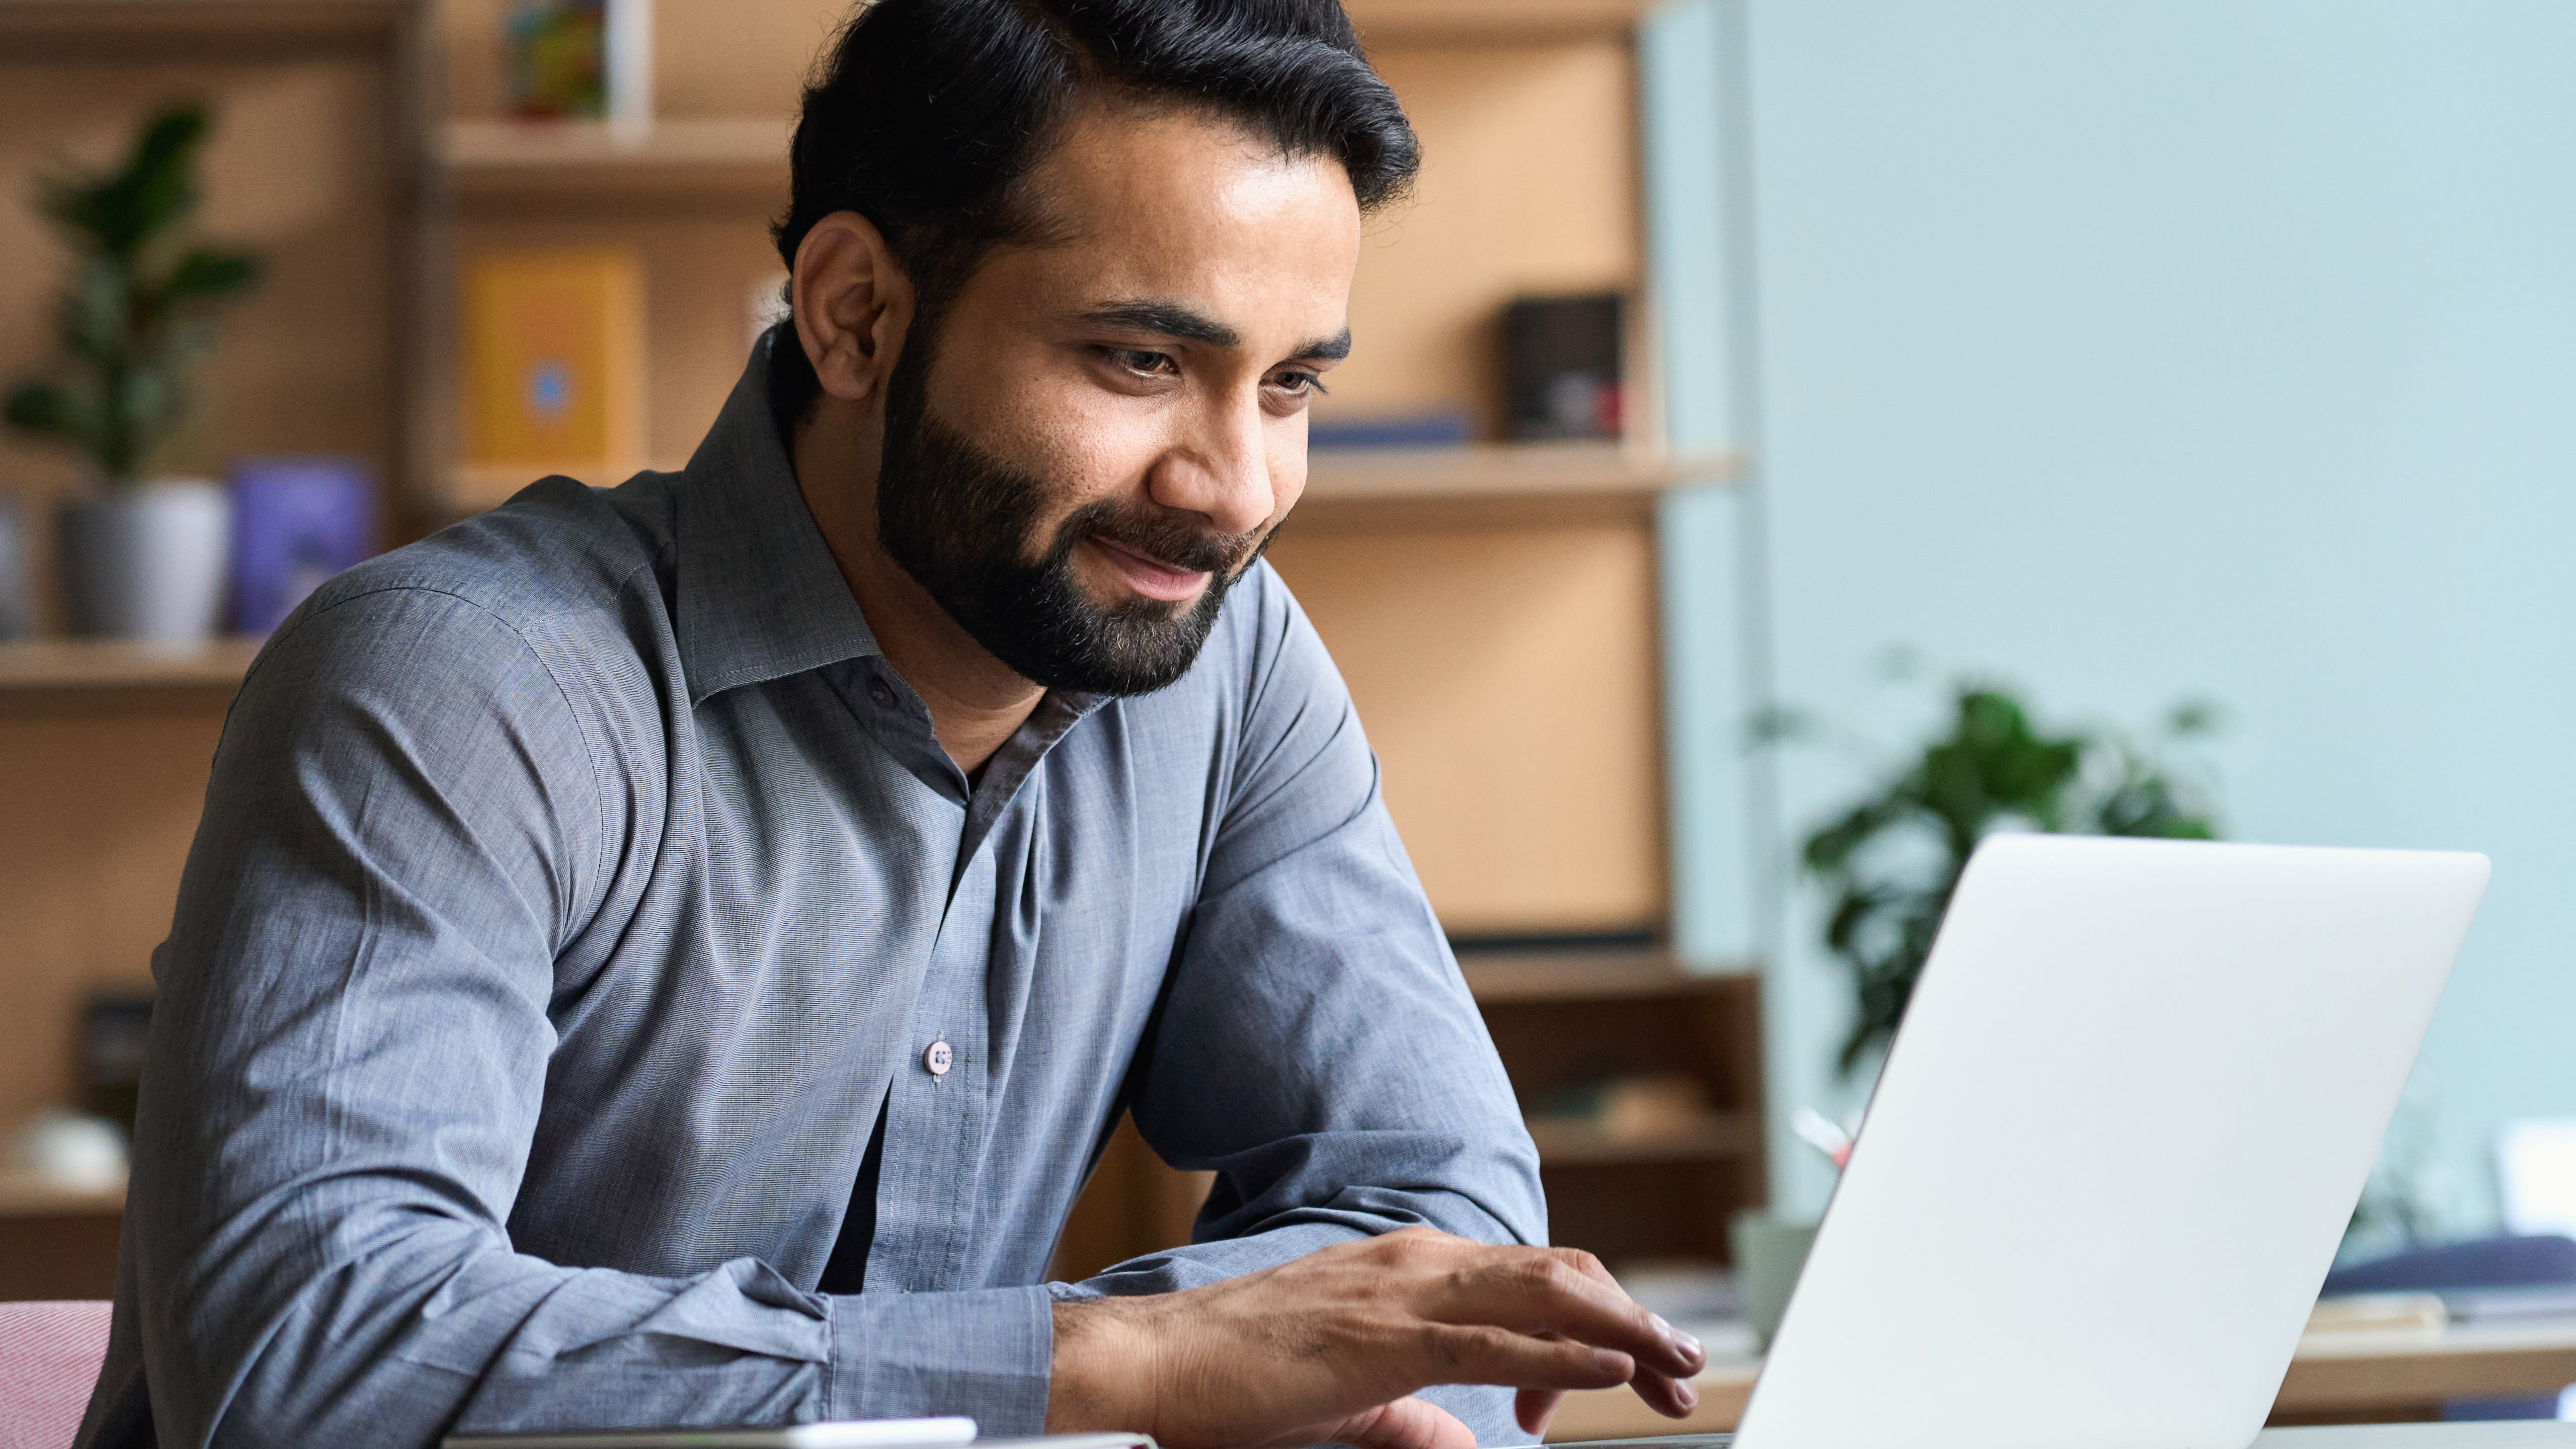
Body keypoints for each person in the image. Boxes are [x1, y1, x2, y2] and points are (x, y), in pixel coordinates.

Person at [77, 3, 1708, 1446]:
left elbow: (1447, 1221)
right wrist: (1112, 1370)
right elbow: (310, 1363)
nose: (1236, 492)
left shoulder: (1224, 666)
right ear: (854, 312)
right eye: (1144, 360)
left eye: (1291, 389)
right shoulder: (463, 681)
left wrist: (1250, 1388)